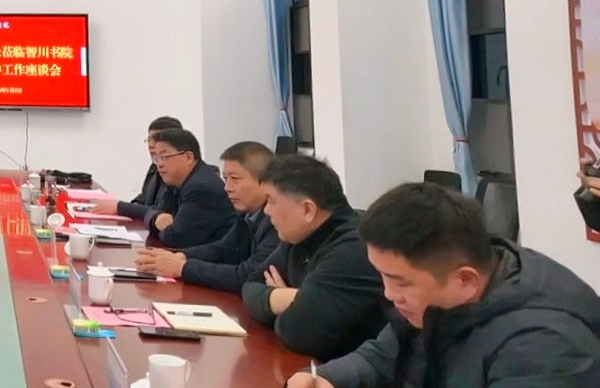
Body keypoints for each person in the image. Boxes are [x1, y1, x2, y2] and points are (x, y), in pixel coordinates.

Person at [289, 182, 600, 387]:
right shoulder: (437, 297)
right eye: (382, 275)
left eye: (399, 282)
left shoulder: (543, 348)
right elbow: (383, 356)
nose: (388, 293)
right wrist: (328, 379)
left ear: (465, 280)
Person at [241, 155, 386, 361]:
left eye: (271, 201)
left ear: (307, 209)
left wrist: (292, 306)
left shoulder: (353, 248)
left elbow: (299, 334)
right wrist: (290, 298)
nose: (266, 211)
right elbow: (250, 286)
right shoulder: (298, 235)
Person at [134, 141, 278, 294]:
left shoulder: (277, 221)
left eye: (235, 179)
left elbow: (248, 276)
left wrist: (182, 268)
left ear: (266, 181)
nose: (227, 188)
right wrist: (181, 256)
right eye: (225, 179)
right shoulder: (247, 214)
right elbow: (223, 249)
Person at [143, 128, 235, 248]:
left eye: (165, 156)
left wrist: (157, 225)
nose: (159, 164)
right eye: (157, 158)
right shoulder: (175, 183)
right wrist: (155, 218)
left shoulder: (202, 188)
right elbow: (155, 211)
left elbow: (176, 237)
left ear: (188, 157)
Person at [94, 116, 182, 219]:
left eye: (156, 140)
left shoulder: (178, 174)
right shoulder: (154, 167)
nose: (151, 145)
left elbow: (161, 212)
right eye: (149, 139)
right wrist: (124, 208)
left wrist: (120, 207)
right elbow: (143, 199)